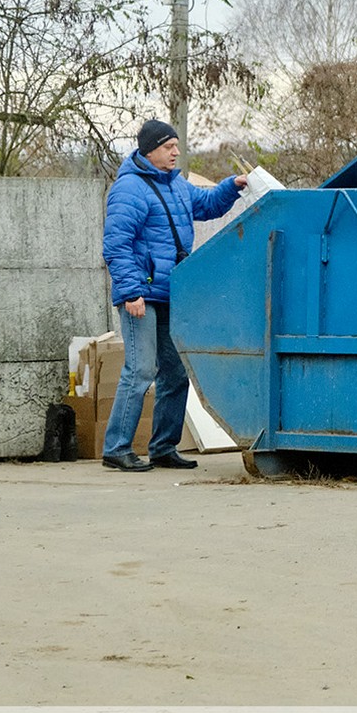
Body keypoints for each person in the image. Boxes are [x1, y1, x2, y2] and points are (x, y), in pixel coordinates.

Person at [100, 119, 247, 471]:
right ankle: (116, 448)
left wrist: (233, 185)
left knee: (176, 373)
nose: (176, 152)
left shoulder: (177, 186)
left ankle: (163, 447)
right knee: (140, 370)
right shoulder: (129, 190)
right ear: (150, 150)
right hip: (141, 296)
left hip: (171, 292)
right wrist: (131, 292)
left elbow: (208, 204)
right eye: (169, 147)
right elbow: (116, 245)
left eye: (176, 146)